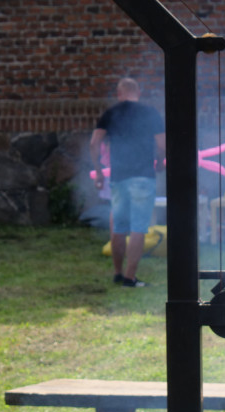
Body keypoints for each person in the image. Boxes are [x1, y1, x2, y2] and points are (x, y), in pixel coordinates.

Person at [90, 77, 165, 288]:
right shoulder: (150, 113)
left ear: (119, 93)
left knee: (118, 227)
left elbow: (94, 143)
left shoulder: (111, 113)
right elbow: (162, 145)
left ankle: (117, 273)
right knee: (139, 228)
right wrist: (159, 162)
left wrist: (98, 171)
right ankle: (130, 278)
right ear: (138, 92)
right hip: (143, 176)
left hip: (119, 177)